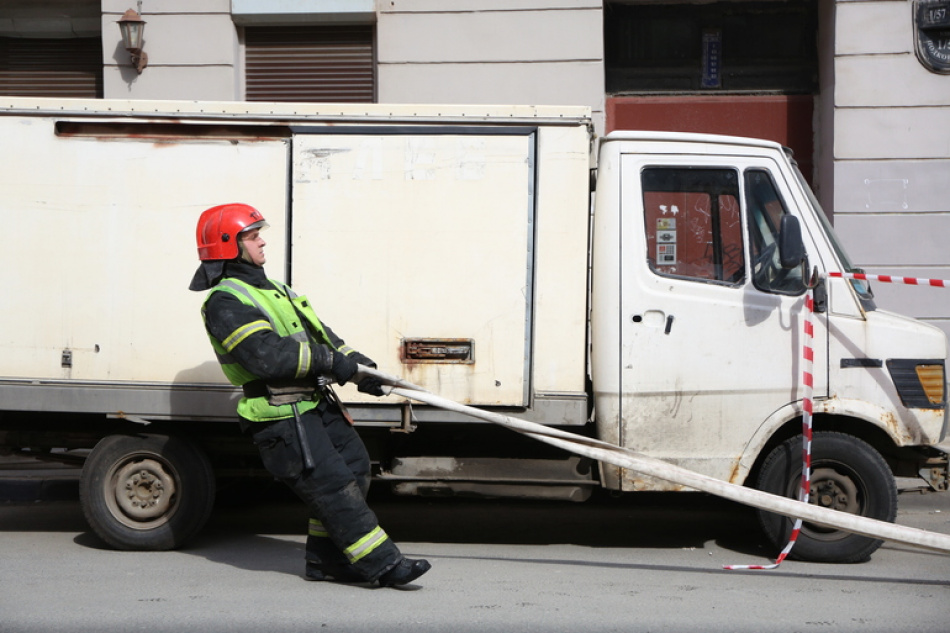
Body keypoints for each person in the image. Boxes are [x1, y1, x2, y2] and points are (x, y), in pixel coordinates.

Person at [189, 202, 430, 587]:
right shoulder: (225, 301)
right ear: (228, 245)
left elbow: (323, 338)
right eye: (252, 237)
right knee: (332, 486)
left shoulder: (276, 291)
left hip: (313, 403)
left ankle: (326, 560)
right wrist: (332, 363)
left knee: (354, 468)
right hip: (281, 414)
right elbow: (269, 357)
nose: (262, 242)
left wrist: (362, 370)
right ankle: (383, 564)